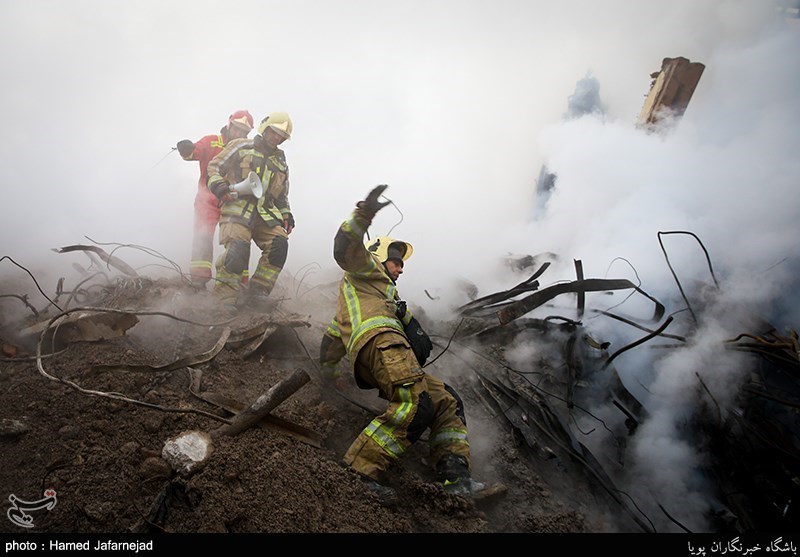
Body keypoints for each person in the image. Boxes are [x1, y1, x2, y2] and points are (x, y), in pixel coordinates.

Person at [319, 184, 483, 498]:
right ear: (377, 257)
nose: (400, 266)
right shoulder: (364, 271)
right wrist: (363, 215)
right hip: (382, 345)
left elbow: (331, 341)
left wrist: (330, 374)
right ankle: (358, 472)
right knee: (415, 403)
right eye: (395, 259)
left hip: (388, 353)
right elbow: (344, 249)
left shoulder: (381, 298)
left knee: (446, 400)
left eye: (401, 262)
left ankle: (456, 479)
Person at [205, 112, 294, 311]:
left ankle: (257, 294)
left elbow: (282, 195)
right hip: (237, 210)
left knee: (279, 246)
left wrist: (286, 214)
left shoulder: (281, 161)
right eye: (274, 132)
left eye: (282, 136)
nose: (277, 138)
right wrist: (219, 187)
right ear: (265, 128)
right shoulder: (241, 146)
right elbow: (214, 167)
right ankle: (224, 300)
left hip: (266, 215)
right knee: (237, 250)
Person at [176, 110, 254, 288]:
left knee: (238, 241)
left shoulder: (248, 148)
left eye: (244, 131)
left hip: (234, 201)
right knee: (203, 237)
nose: (239, 133)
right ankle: (199, 281)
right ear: (229, 125)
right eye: (237, 128)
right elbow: (193, 153)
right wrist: (186, 148)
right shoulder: (212, 142)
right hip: (208, 200)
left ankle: (239, 284)